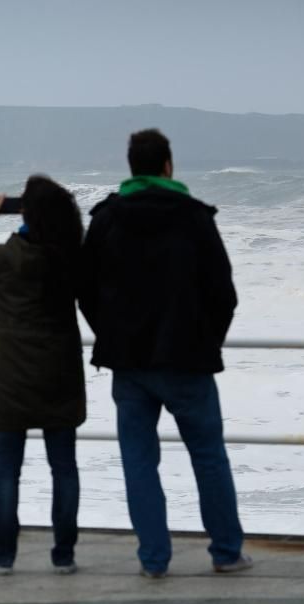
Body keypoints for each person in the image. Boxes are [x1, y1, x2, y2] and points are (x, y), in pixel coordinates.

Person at [78, 128, 252, 579]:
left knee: (139, 461)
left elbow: (85, 291)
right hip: (188, 359)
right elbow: (224, 293)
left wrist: (112, 335)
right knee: (209, 456)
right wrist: (205, 339)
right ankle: (227, 552)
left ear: (132, 166)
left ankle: (154, 560)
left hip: (130, 365)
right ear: (168, 165)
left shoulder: (107, 218)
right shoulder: (194, 218)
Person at [0, 175, 87, 576]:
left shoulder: (7, 258)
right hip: (59, 374)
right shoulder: (72, 255)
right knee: (64, 467)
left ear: (26, 213)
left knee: (7, 469)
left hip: (9, 378)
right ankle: (64, 555)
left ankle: (4, 556)